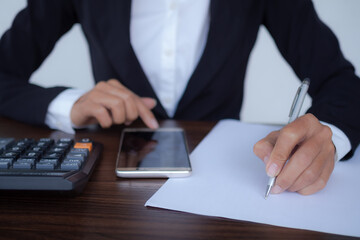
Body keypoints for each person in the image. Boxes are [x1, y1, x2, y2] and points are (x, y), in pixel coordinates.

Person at [0, 0, 359, 196]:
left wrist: (328, 134)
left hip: (226, 189)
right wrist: (68, 105)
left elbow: (341, 81)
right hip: (105, 191)